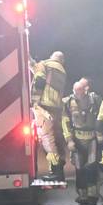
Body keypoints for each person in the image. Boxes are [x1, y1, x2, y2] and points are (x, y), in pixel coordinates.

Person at [62, 78, 102, 205]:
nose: (77, 93)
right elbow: (65, 123)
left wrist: (101, 137)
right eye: (75, 91)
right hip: (77, 140)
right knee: (79, 169)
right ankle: (83, 197)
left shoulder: (94, 100)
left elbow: (101, 118)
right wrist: (69, 140)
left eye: (80, 90)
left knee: (91, 167)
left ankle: (92, 196)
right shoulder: (68, 102)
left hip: (92, 139)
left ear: (85, 90)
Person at [31, 51, 68, 180]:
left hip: (44, 106)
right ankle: (58, 170)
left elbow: (40, 80)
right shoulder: (61, 70)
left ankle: (56, 170)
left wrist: (34, 101)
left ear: (52, 56)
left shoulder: (45, 64)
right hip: (56, 107)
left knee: (47, 138)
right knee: (57, 138)